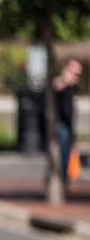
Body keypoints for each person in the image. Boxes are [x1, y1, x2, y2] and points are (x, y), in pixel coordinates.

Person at [51, 58, 82, 189]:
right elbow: (55, 86)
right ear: (67, 68)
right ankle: (62, 179)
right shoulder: (61, 81)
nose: (77, 76)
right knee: (63, 153)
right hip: (61, 124)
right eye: (75, 72)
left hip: (69, 124)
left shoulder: (73, 86)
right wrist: (66, 79)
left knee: (69, 153)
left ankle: (67, 178)